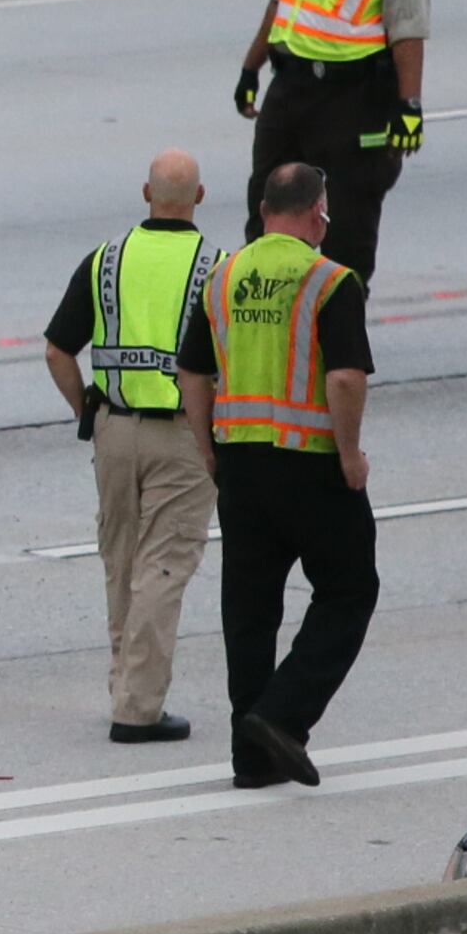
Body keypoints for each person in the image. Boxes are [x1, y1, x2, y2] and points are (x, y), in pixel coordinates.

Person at [178, 163, 379, 791]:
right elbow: (344, 376)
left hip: (241, 462)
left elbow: (191, 375)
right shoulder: (329, 280)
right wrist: (349, 454)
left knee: (249, 609)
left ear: (263, 210)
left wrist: (208, 448)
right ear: (319, 212)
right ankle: (282, 714)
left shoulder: (221, 278)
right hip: (312, 461)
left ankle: (251, 759)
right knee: (349, 589)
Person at [39, 149, 224, 745]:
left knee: (121, 560)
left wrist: (86, 411)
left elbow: (57, 352)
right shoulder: (216, 268)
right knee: (164, 565)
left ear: (147, 194)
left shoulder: (105, 261)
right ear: (199, 198)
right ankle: (137, 710)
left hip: (114, 430)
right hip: (183, 434)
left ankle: (125, 684)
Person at [232, 0, 426, 282]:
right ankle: (268, 315)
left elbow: (409, 32)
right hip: (292, 89)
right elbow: (279, 4)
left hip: (354, 100)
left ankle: (342, 331)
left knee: (348, 224)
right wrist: (250, 69)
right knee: (267, 209)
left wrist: (409, 107)